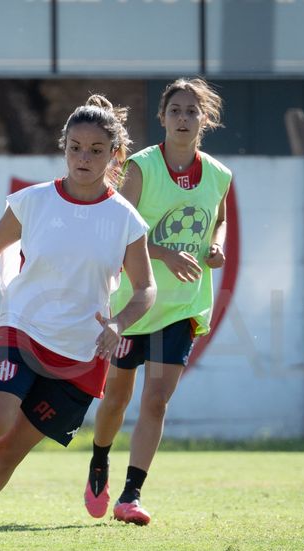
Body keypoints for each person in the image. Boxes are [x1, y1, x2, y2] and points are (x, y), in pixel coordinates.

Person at [0, 95, 156, 526]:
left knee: (7, 454)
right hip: (21, 329)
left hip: (81, 355)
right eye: (75, 147)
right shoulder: (34, 201)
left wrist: (119, 323)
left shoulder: (125, 219)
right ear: (63, 147)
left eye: (96, 150)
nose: (84, 157)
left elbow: (146, 290)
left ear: (115, 154)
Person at [83, 78, 232, 526]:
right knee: (116, 399)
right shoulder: (142, 168)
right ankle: (99, 460)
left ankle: (131, 494)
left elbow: (218, 220)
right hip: (134, 304)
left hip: (184, 306)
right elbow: (119, 231)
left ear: (204, 119)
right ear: (162, 118)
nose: (183, 118)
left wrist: (215, 246)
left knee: (157, 399)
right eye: (175, 111)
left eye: (192, 111)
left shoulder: (220, 175)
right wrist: (165, 253)